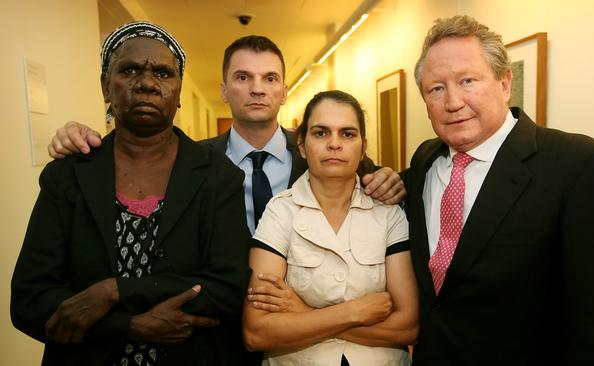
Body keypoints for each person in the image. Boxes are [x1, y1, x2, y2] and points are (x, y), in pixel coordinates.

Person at [403, 15, 594, 364]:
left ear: (504, 82)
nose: (452, 101)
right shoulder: (425, 162)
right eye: (436, 88)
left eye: (467, 80)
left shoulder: (583, 167)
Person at [11, 21, 251, 365]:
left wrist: (114, 291)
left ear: (179, 92)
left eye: (164, 74)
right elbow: (30, 302)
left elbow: (227, 289)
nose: (147, 84)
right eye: (130, 70)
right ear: (106, 86)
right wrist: (131, 325)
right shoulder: (66, 176)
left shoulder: (218, 176)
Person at [48, 35, 405, 235]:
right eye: (242, 77)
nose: (257, 89)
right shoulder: (190, 160)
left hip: (305, 316)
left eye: (269, 78)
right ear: (223, 90)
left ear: (283, 91)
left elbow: (379, 185)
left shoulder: (319, 150)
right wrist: (74, 135)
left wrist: (392, 182)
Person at [243, 90, 418, 366]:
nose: (334, 144)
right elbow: (257, 332)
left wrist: (304, 313)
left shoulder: (389, 214)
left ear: (363, 147)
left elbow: (408, 326)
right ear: (301, 145)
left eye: (347, 134)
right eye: (321, 133)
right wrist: (354, 312)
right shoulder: (280, 211)